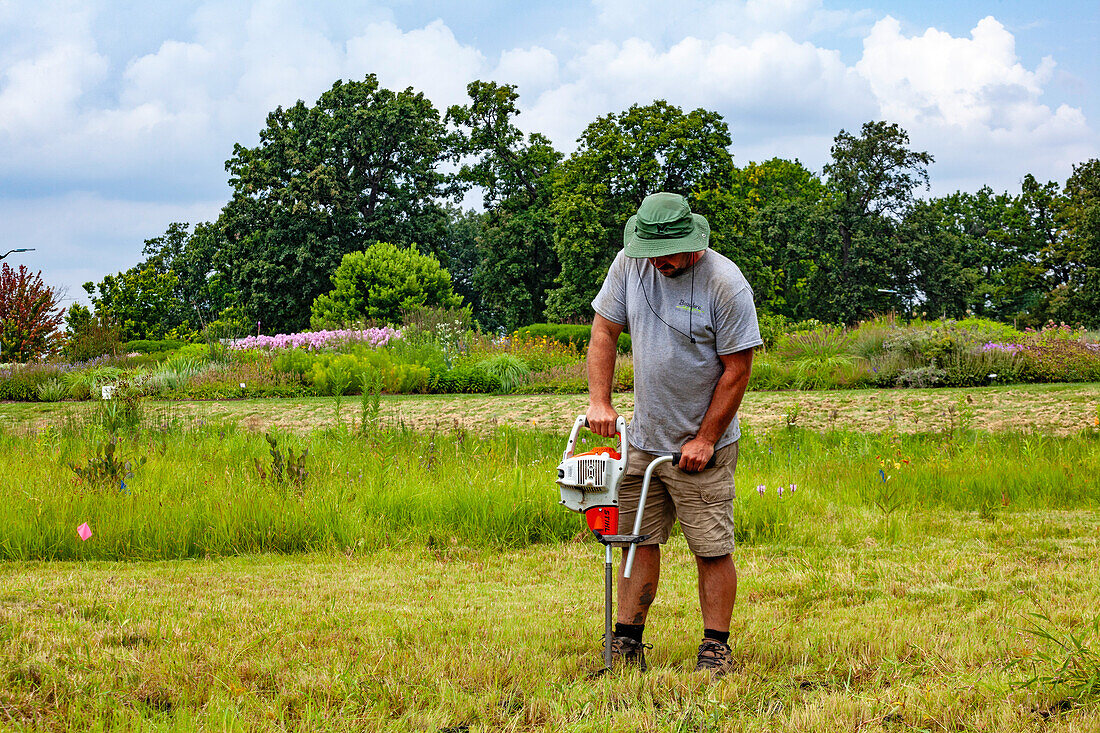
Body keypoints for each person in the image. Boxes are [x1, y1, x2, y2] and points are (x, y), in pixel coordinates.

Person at [586, 192, 762, 677]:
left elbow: (738, 369)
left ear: (693, 243)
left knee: (710, 546)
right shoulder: (630, 264)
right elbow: (604, 331)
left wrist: (705, 438)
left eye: (667, 253)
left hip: (702, 446)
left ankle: (715, 647)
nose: (657, 263)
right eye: (650, 252)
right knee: (636, 539)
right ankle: (626, 641)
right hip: (644, 439)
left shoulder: (725, 284)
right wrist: (600, 401)